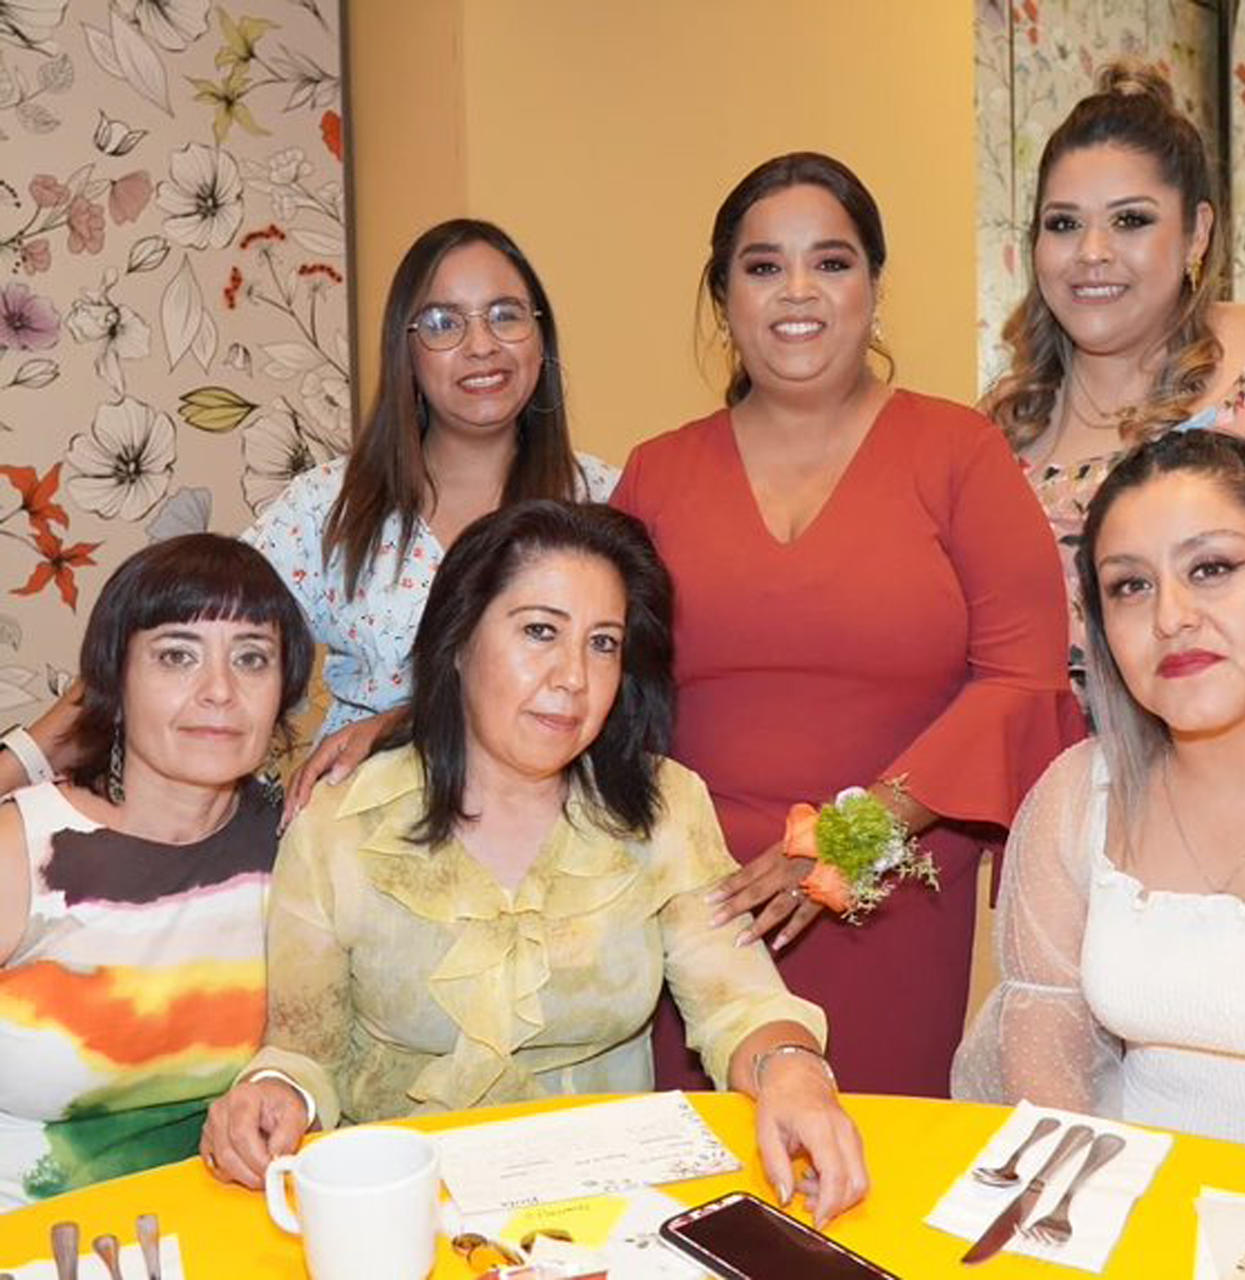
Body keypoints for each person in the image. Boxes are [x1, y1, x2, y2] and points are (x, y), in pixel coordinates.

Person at [201, 501, 866, 1227]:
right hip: (408, 1218)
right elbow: (303, 1052)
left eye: (603, 643)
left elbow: (740, 1004)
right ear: (458, 641)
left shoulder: (666, 807)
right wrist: (271, 1092)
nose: (574, 678)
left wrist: (793, 1070)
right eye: (540, 632)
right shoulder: (339, 824)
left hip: (612, 1215)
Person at [612, 152, 1084, 1097]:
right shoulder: (655, 473)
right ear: (723, 295)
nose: (798, 292)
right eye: (762, 266)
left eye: (831, 262)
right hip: (699, 905)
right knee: (693, 1192)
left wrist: (845, 843)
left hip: (889, 900)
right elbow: (586, 678)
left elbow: (1022, 684)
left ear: (873, 284)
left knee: (872, 1191)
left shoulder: (959, 452)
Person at [2, 219, 617, 817]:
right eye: (442, 323)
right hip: (355, 845)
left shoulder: (605, 501)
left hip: (552, 841)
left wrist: (402, 723)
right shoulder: (334, 506)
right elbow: (173, 637)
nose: (481, 344)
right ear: (404, 351)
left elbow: (639, 691)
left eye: (506, 314)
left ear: (541, 336)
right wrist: (19, 762)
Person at [953, 430, 1245, 1149]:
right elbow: (1050, 1072)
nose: (1171, 618)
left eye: (1213, 567)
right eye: (1131, 586)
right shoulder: (1080, 795)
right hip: (1130, 1219)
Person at [0, 535, 313, 1209]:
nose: (220, 692)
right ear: (113, 679)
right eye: (177, 656)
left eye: (252, 659)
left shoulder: (304, 843)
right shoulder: (23, 851)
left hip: (249, 1239)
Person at [987, 60, 1245, 698]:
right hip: (1062, 784)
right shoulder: (1002, 431)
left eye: (1130, 220)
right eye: (1063, 224)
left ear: (1197, 232)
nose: (1092, 252)